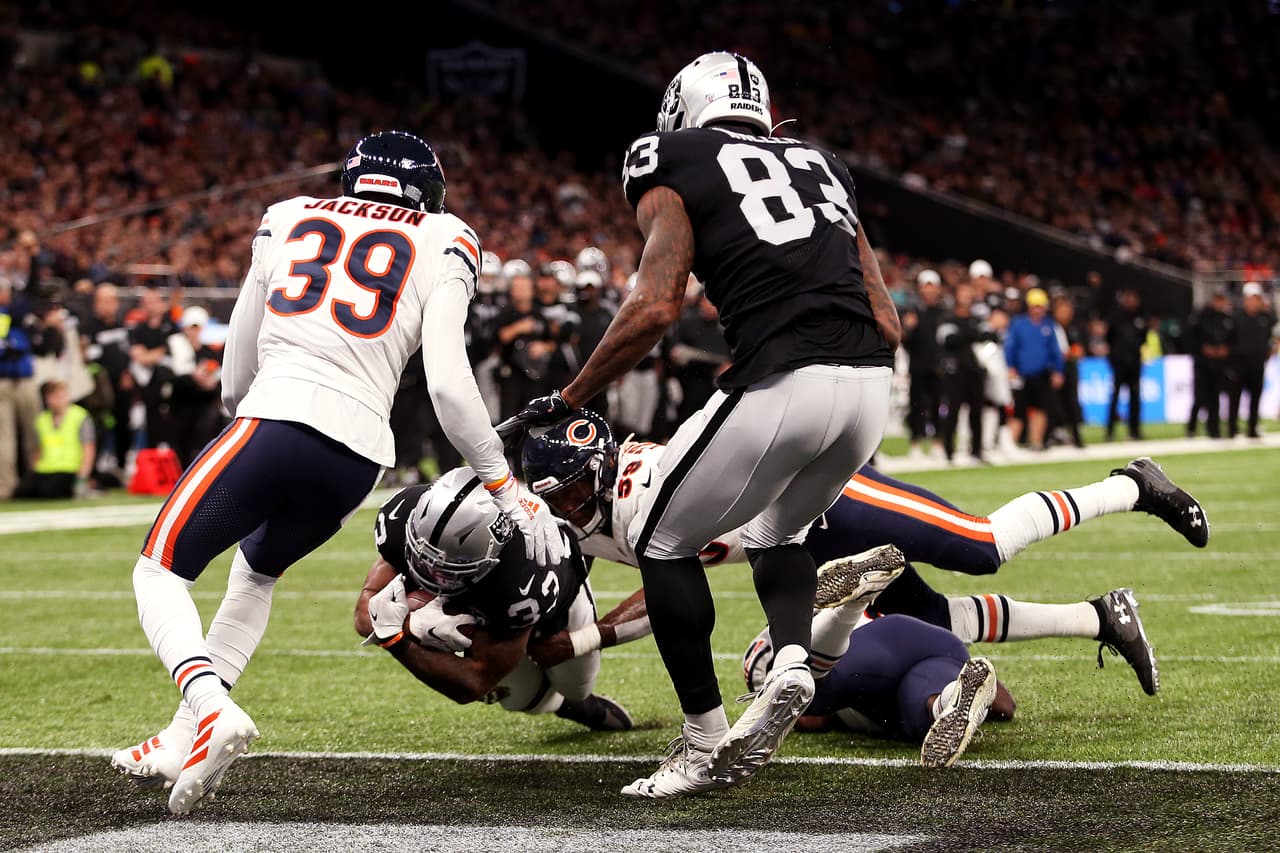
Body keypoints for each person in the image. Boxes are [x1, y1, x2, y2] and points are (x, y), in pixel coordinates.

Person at [110, 130, 565, 816]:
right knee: (254, 571)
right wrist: (501, 481)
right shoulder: (448, 235)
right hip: (357, 455)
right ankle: (184, 734)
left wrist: (244, 418)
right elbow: (446, 382)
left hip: (277, 416)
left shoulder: (290, 214)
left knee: (158, 570)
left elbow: (240, 349)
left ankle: (210, 706)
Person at [503, 52, 901, 798]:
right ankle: (789, 661)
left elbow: (657, 304)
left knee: (661, 536)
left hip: (786, 375)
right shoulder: (820, 163)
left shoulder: (670, 156)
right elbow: (888, 316)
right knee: (776, 532)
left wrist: (569, 395)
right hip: (870, 389)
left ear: (684, 107)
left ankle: (701, 741)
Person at [518, 412, 1207, 697]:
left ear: (605, 468)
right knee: (935, 620)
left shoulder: (643, 498)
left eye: (577, 485)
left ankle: (1131, 485)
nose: (570, 502)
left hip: (824, 500)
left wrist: (588, 634)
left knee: (983, 544)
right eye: (558, 493)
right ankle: (1100, 617)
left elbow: (672, 594)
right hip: (792, 545)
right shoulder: (573, 514)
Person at [352, 466, 632, 731]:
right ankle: (562, 706)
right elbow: (365, 611)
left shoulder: (521, 576)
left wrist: (398, 636)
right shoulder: (402, 515)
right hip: (488, 597)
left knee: (575, 685)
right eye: (421, 559)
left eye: (449, 569)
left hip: (556, 605)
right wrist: (409, 627)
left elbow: (474, 680)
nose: (430, 576)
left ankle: (581, 702)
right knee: (519, 698)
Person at [936, 282, 995, 464]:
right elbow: (948, 340)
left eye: (969, 294)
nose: (966, 298)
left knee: (976, 412)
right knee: (953, 411)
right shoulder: (948, 318)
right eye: (963, 294)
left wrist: (970, 334)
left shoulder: (977, 319)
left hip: (975, 371)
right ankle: (948, 452)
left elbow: (990, 337)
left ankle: (976, 451)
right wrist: (972, 334)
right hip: (955, 371)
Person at [14, 379, 95, 499]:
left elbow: (88, 449)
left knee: (50, 491)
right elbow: (38, 450)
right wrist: (32, 472)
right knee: (22, 491)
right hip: (45, 469)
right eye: (55, 396)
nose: (59, 400)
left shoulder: (80, 417)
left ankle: (87, 488)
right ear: (48, 399)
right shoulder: (41, 420)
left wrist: (82, 478)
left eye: (62, 396)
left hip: (68, 469)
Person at [1004, 288, 1063, 451]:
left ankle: (1036, 442)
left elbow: (1055, 350)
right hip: (1022, 374)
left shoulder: (1048, 325)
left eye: (1040, 306)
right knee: (1018, 411)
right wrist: (1011, 367)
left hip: (1042, 374)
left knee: (1041, 409)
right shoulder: (1019, 323)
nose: (1038, 309)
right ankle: (1011, 444)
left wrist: (1058, 370)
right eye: (1035, 306)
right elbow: (1010, 347)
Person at [902, 269, 944, 459]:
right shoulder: (913, 311)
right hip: (918, 366)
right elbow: (905, 341)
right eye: (926, 286)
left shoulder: (943, 312)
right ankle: (916, 444)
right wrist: (908, 328)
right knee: (917, 406)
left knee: (938, 407)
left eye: (932, 286)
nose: (929, 290)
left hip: (938, 368)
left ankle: (938, 444)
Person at [1185, 290, 1236, 439]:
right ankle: (1192, 427)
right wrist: (1202, 349)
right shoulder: (1200, 317)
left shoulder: (1227, 319)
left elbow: (1232, 339)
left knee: (1215, 397)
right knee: (1200, 396)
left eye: (1222, 300)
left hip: (1219, 363)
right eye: (1217, 300)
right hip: (1202, 363)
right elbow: (1190, 337)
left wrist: (1226, 349)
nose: (1220, 303)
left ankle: (1214, 429)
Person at [1228, 283, 1275, 439]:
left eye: (1256, 299)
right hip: (1239, 363)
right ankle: (1232, 429)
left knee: (1256, 397)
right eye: (1250, 299)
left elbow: (1272, 337)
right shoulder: (1236, 317)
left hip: (1258, 363)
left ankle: (1252, 428)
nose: (1253, 302)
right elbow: (1229, 339)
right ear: (1245, 300)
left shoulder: (1266, 317)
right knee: (1235, 397)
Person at [1104, 288, 1146, 442]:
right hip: (1119, 363)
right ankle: (1109, 431)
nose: (1131, 301)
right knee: (1115, 397)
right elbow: (1109, 338)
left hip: (1134, 364)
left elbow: (1143, 338)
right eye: (1128, 298)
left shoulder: (1140, 317)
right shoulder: (1115, 317)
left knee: (1135, 398)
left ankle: (1134, 430)